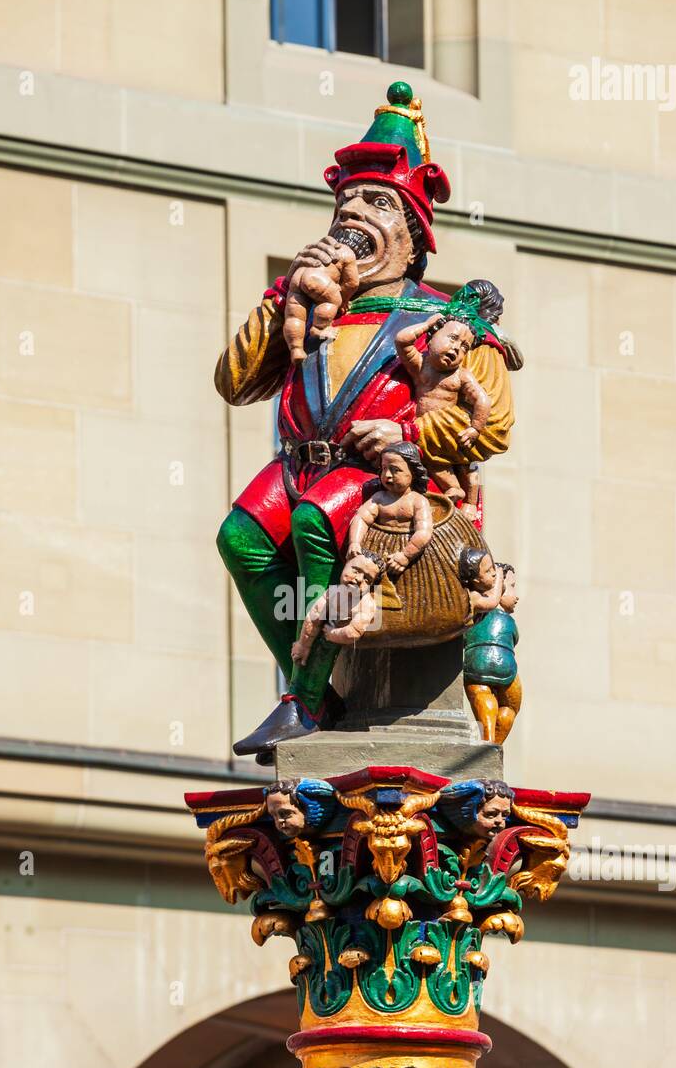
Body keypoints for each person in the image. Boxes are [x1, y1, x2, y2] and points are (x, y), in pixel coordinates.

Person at [215, 82, 518, 758]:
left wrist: (409, 434)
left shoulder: (443, 323)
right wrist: (281, 295)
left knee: (315, 521)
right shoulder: (309, 303)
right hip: (299, 464)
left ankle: (302, 694)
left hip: (382, 481)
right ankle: (315, 688)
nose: (353, 215)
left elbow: (492, 425)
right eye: (346, 203)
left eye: (378, 203)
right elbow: (233, 384)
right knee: (239, 536)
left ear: (413, 237)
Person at [395, 313, 491, 516]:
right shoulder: (420, 366)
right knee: (432, 463)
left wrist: (475, 428)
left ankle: (471, 504)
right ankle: (453, 488)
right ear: (431, 337)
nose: (457, 348)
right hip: (427, 436)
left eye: (465, 347)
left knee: (468, 469)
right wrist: (428, 323)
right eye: (453, 338)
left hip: (451, 434)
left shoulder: (461, 376)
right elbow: (402, 340)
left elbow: (482, 400)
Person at [347, 443, 433, 577]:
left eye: (395, 470)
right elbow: (361, 518)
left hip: (407, 554)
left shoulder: (418, 501)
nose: (387, 475)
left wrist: (406, 555)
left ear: (413, 472)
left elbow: (424, 532)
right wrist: (355, 543)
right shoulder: (379, 498)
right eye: (384, 468)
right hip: (377, 552)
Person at [462, 560, 522, 744]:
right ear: (500, 586)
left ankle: (489, 742)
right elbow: (514, 638)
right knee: (511, 706)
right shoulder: (483, 607)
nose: (516, 596)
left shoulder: (475, 613)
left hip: (476, 663)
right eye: (512, 587)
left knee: (482, 696)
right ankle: (493, 744)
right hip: (507, 667)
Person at [291, 551, 386, 665]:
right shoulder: (332, 593)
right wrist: (303, 644)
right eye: (355, 571)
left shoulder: (366, 605)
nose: (360, 579)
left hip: (351, 653)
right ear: (345, 564)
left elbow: (353, 632)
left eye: (367, 579)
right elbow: (313, 618)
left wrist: (332, 634)